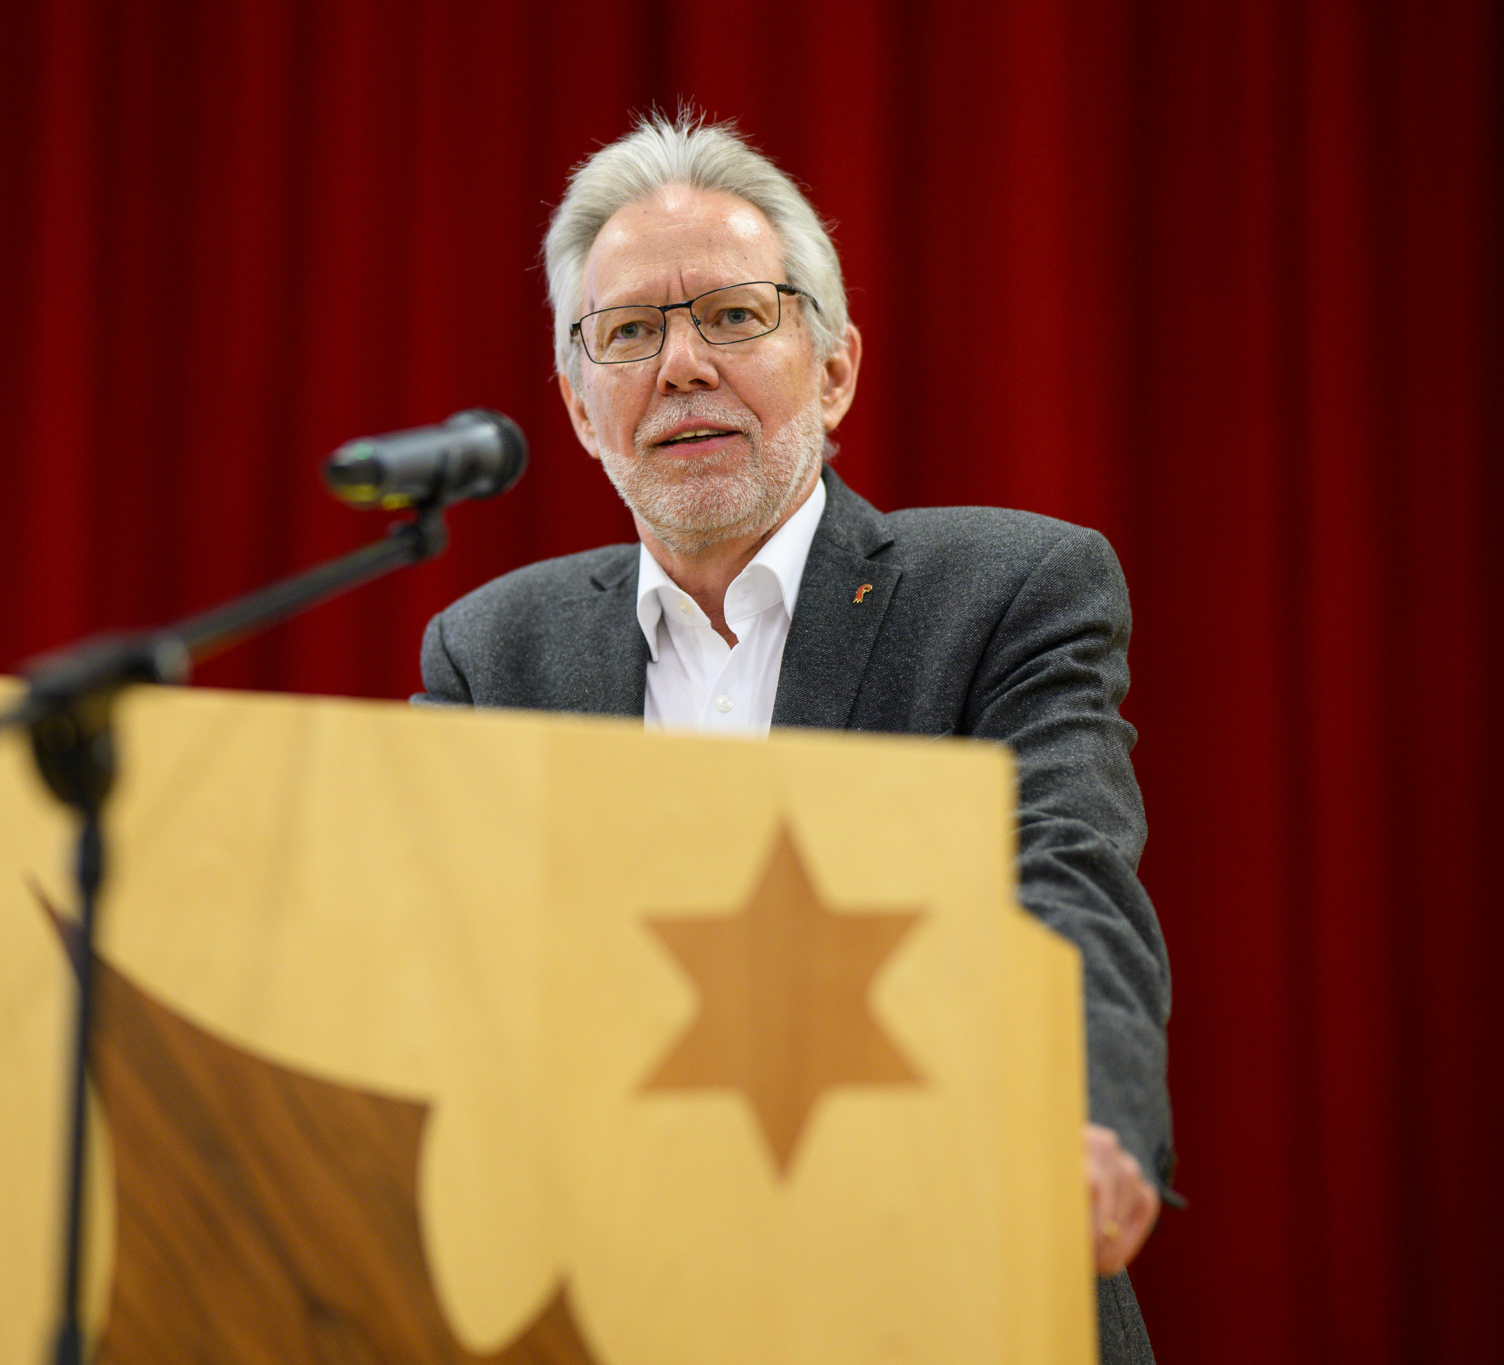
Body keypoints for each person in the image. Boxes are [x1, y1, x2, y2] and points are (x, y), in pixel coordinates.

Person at [416, 111, 1173, 1361]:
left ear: (831, 370)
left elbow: (1064, 873)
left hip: (942, 1281)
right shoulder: (494, 657)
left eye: (731, 315)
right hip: (611, 1306)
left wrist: (1083, 1111)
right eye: (628, 333)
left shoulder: (1001, 591)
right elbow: (426, 959)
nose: (680, 366)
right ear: (579, 407)